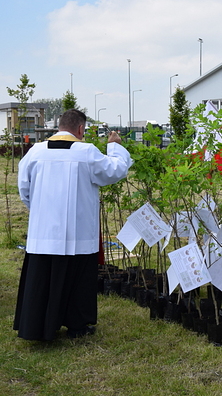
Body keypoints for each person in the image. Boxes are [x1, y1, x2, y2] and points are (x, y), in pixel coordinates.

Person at [14, 109, 133, 341]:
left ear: (59, 127)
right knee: (77, 279)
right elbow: (114, 171)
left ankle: (36, 326)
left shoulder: (35, 151)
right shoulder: (85, 151)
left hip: (43, 232)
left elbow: (24, 189)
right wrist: (115, 146)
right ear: (81, 129)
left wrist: (39, 211)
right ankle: (77, 325)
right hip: (77, 233)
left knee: (42, 279)